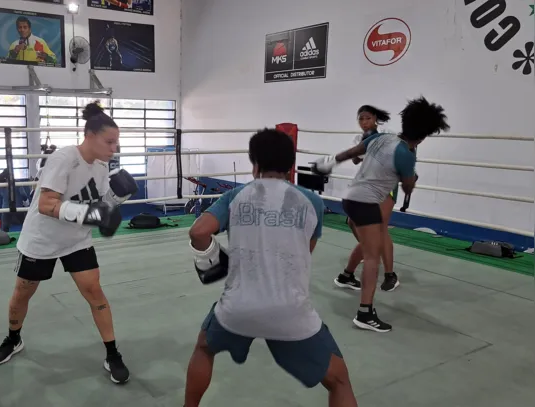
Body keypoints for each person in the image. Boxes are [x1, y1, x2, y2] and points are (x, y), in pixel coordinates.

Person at [184, 129, 358, 407]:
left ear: (254, 164)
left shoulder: (236, 196)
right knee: (339, 381)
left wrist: (213, 258)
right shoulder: (313, 203)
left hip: (237, 309)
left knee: (204, 348)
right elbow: (305, 252)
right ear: (290, 166)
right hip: (291, 312)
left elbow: (198, 232)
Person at [0, 102, 139, 385]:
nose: (114, 148)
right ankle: (13, 339)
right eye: (109, 141)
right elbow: (47, 204)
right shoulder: (64, 159)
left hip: (76, 241)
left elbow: (98, 204)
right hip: (41, 240)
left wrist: (114, 202)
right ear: (90, 136)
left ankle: (112, 353)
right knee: (23, 293)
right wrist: (91, 215)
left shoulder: (102, 166)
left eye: (116, 142)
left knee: (95, 293)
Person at [313, 97, 449, 333]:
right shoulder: (406, 154)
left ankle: (347, 277)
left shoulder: (382, 137)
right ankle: (364, 313)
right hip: (365, 203)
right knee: (373, 257)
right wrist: (410, 178)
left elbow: (354, 151)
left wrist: (330, 162)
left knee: (371, 246)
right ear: (426, 134)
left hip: (351, 199)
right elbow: (407, 187)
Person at [334, 105, 400, 292]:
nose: (364, 122)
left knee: (379, 229)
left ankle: (389, 275)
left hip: (386, 186)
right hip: (366, 186)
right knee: (354, 224)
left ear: (375, 119)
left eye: (367, 118)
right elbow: (355, 159)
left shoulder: (387, 134)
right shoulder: (359, 138)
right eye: (361, 119)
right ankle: (351, 272)